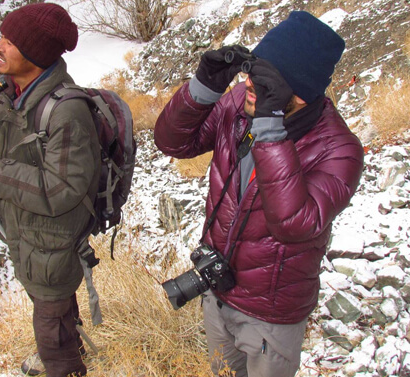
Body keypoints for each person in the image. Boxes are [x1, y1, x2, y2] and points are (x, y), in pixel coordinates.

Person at [154, 11, 364, 377]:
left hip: (270, 312)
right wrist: (203, 86)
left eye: (269, 79)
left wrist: (269, 124)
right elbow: (174, 142)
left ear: (301, 89)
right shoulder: (240, 102)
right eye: (254, 70)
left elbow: (294, 224)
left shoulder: (339, 150)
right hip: (217, 288)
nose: (251, 83)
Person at [0, 3, 98, 376]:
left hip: (51, 242)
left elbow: (62, 188)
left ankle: (63, 365)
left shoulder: (67, 111)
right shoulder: (17, 93)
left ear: (34, 53)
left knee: (50, 328)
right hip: (30, 236)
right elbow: (10, 137)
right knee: (51, 312)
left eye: (8, 40)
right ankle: (66, 351)